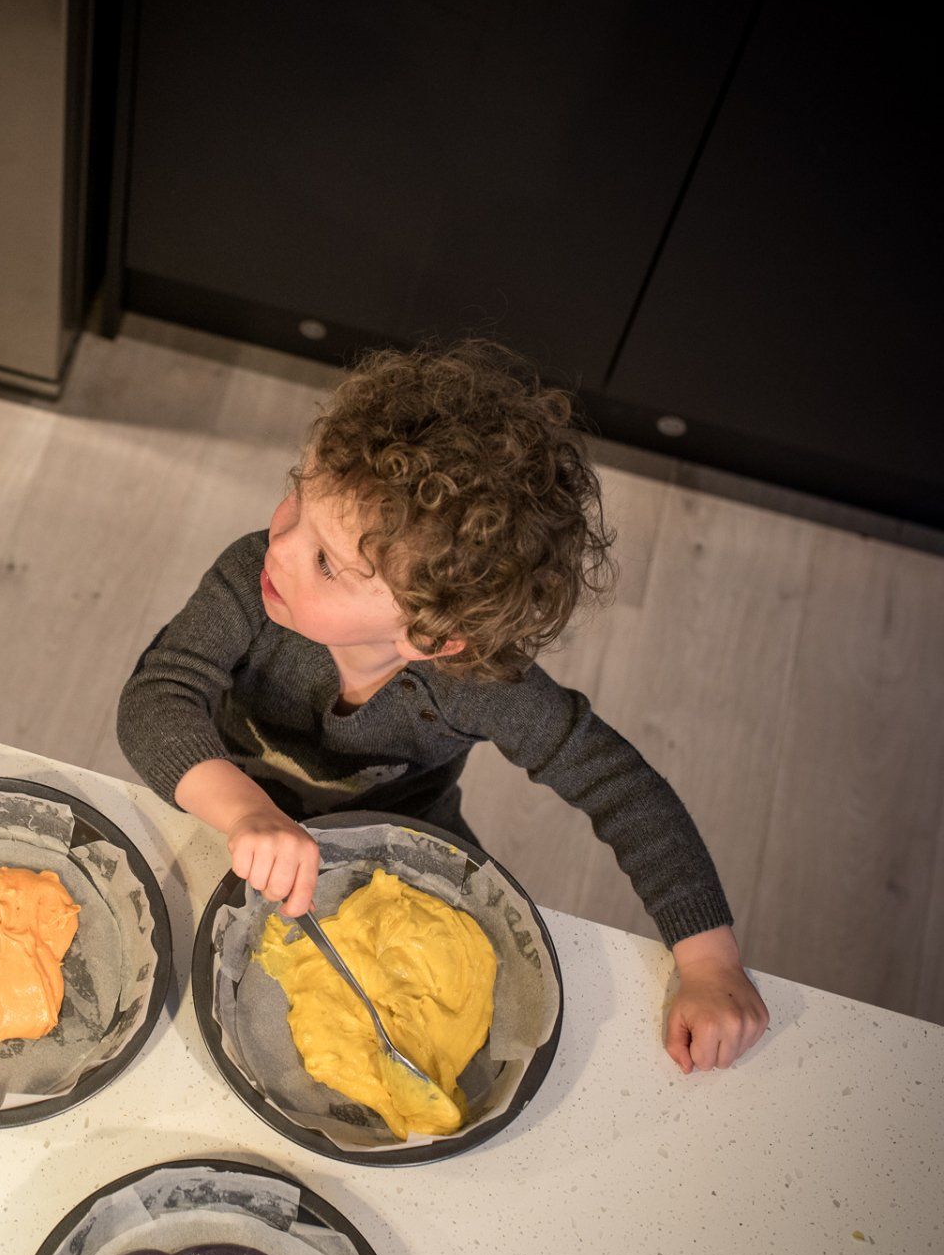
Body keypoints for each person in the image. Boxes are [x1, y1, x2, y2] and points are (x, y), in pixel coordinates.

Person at [116, 342, 768, 1072]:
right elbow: (156, 700)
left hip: (402, 853)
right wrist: (247, 814)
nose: (281, 546)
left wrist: (709, 962)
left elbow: (623, 788)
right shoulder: (249, 581)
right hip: (222, 820)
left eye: (329, 561)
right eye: (298, 497)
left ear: (432, 636)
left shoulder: (484, 687)